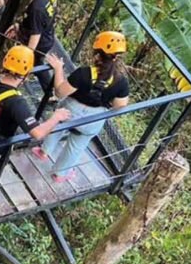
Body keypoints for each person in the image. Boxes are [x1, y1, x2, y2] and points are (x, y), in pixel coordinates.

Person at [0, 45, 71, 207]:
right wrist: (56, 117)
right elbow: (37, 133)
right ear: (27, 75)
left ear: (5, 64)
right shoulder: (16, 103)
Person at [33, 31, 130, 182]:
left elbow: (59, 92)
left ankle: (44, 152)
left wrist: (58, 68)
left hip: (70, 110)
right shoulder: (121, 81)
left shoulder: (83, 74)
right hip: (94, 119)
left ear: (96, 54)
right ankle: (59, 175)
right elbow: (120, 106)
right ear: (116, 57)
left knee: (57, 124)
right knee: (77, 146)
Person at [5, 0, 57, 92]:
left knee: (28, 64)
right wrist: (18, 26)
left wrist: (26, 55)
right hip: (46, 36)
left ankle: (13, 83)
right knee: (37, 63)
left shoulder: (36, 8)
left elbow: (35, 34)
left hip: (38, 42)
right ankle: (50, 91)